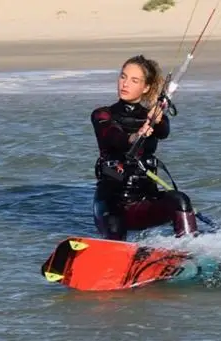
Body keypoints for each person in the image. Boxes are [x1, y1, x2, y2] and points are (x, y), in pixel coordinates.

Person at [90, 54, 199, 241]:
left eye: (134, 80)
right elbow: (115, 138)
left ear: (145, 87)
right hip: (111, 203)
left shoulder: (153, 115)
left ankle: (191, 250)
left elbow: (164, 131)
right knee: (115, 227)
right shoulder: (102, 114)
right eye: (123, 77)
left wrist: (157, 120)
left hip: (144, 202)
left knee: (180, 200)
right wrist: (136, 136)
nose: (125, 84)